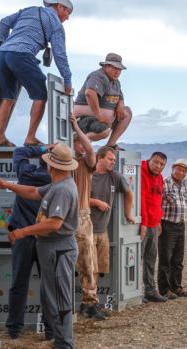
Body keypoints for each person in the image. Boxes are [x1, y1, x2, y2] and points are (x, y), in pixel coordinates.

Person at [0, 143, 79, 349]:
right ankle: (58, 339)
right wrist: (7, 185)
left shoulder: (63, 189)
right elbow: (32, 191)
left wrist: (22, 231)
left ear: (53, 166)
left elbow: (54, 223)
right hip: (52, 247)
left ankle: (64, 343)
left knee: (59, 297)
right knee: (52, 295)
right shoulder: (58, 184)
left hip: (59, 247)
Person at [0, 0, 73, 147]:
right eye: (68, 12)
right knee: (41, 95)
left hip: (2, 54)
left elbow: (4, 23)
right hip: (22, 55)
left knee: (8, 98)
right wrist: (67, 79)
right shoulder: (55, 23)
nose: (67, 17)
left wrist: (4, 43)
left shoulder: (29, 10)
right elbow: (60, 55)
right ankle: (30, 137)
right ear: (59, 6)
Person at [5, 145, 51, 340]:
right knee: (48, 285)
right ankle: (50, 330)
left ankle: (14, 329)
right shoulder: (54, 181)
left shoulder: (25, 173)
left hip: (21, 236)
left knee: (18, 283)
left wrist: (43, 147)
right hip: (46, 238)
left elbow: (19, 152)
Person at [70, 115, 105, 320]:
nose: (83, 145)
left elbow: (91, 151)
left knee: (89, 261)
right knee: (78, 262)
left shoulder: (85, 163)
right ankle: (85, 303)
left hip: (83, 216)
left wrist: (76, 127)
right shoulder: (63, 162)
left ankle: (90, 302)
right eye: (78, 141)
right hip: (69, 217)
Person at [89, 146, 135, 305]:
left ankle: (93, 301)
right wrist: (96, 202)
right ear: (99, 158)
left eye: (114, 160)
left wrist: (128, 214)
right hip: (86, 231)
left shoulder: (115, 176)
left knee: (99, 268)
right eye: (110, 159)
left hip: (102, 231)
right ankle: (90, 304)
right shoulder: (88, 175)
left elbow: (129, 193)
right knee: (90, 269)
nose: (113, 162)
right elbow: (76, 198)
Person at [73, 53, 132, 149]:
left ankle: (110, 145)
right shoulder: (98, 76)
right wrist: (100, 116)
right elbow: (90, 93)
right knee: (105, 131)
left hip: (102, 118)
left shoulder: (116, 82)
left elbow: (120, 96)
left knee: (127, 112)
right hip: (85, 117)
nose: (118, 72)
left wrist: (121, 104)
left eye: (120, 69)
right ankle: (80, 141)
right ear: (106, 66)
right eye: (115, 68)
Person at [157, 159, 187, 300]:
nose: (181, 172)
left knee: (178, 259)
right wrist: (158, 222)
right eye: (179, 169)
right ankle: (164, 290)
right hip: (167, 225)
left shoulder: (184, 185)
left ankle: (176, 286)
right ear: (173, 169)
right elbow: (157, 203)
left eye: (184, 170)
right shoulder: (164, 183)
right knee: (166, 259)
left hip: (180, 225)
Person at [141, 152, 168, 302]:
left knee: (150, 259)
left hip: (153, 224)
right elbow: (141, 199)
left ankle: (150, 290)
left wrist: (158, 221)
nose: (158, 166)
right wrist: (144, 223)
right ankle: (134, 291)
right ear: (149, 160)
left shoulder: (159, 178)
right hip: (142, 225)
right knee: (136, 258)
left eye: (162, 164)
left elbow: (157, 201)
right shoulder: (141, 173)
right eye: (156, 162)